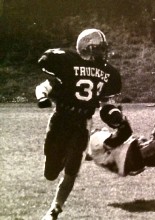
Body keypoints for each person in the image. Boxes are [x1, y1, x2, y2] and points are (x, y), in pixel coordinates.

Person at [35, 28, 122, 220]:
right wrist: (42, 97)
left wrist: (114, 114)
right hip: (61, 119)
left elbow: (105, 104)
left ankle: (55, 209)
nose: (103, 52)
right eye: (99, 48)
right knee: (50, 173)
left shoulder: (106, 71)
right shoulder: (68, 62)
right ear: (87, 47)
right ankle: (69, 154)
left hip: (82, 122)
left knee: (72, 170)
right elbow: (46, 83)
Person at [87, 103, 155, 177]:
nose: (98, 129)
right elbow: (125, 133)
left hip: (151, 153)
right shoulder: (95, 140)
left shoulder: (100, 153)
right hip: (154, 149)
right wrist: (117, 116)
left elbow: (135, 169)